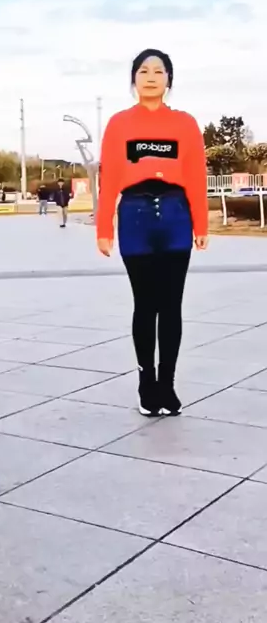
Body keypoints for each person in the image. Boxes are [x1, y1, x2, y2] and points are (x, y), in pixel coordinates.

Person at [96, 49, 208, 417]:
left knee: (171, 305)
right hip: (135, 216)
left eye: (159, 71)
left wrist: (201, 224)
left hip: (175, 216)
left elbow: (196, 176)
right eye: (143, 71)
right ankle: (147, 383)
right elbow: (109, 178)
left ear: (168, 80)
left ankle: (167, 384)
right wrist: (104, 228)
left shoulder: (185, 124)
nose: (150, 77)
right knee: (145, 304)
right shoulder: (119, 124)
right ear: (133, 79)